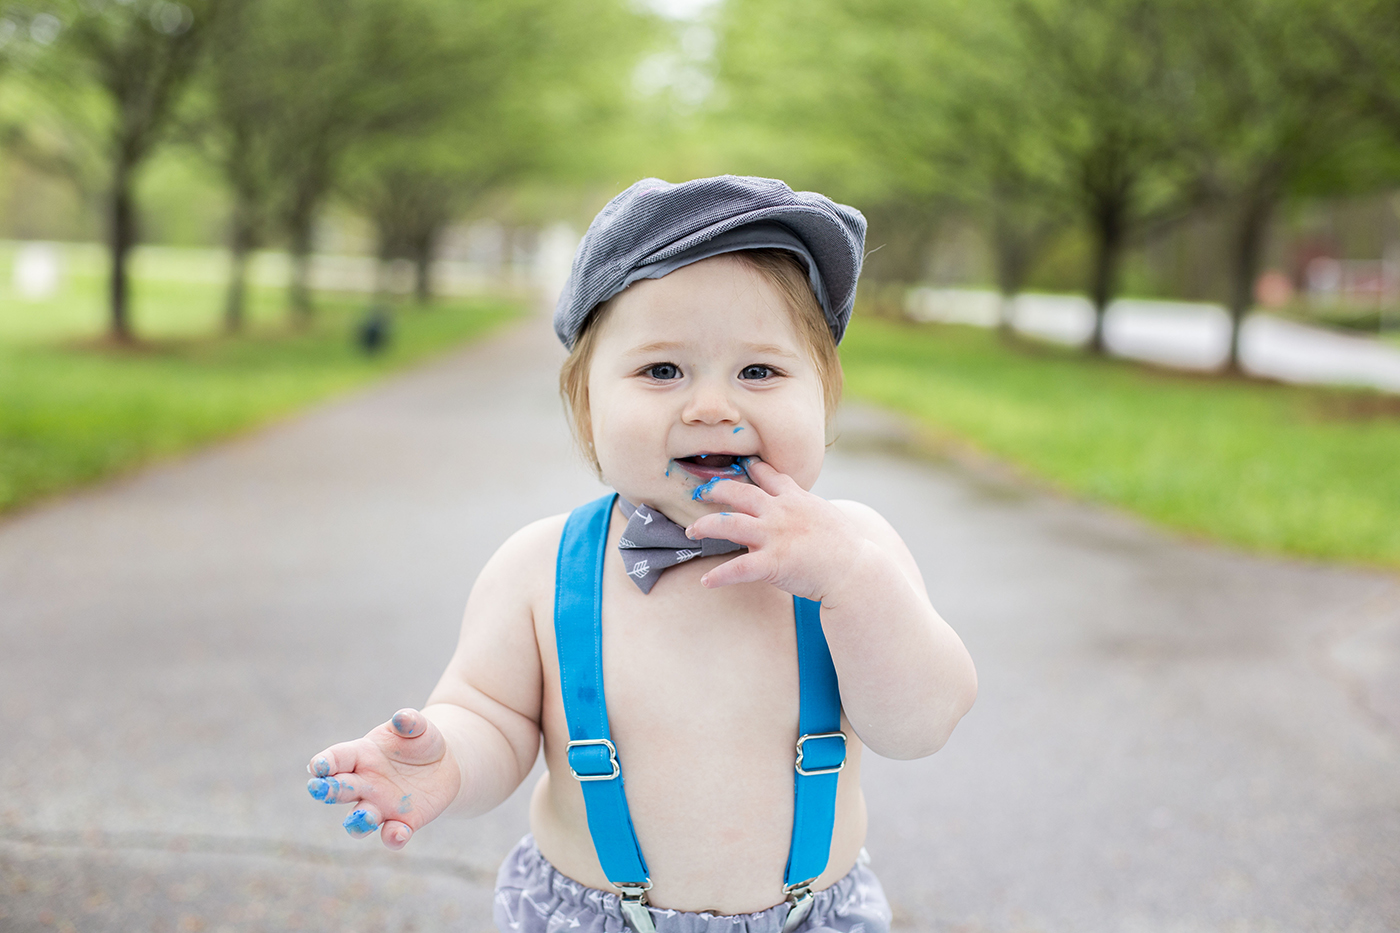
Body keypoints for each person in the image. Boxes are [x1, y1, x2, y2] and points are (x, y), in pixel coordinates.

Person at [305, 176, 977, 933]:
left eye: (759, 371)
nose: (712, 406)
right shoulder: (540, 569)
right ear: (587, 404)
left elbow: (922, 724)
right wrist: (448, 760)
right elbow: (490, 716)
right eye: (662, 371)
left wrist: (853, 581)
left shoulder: (856, 550)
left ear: (823, 396)